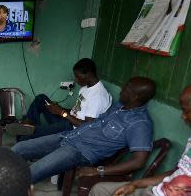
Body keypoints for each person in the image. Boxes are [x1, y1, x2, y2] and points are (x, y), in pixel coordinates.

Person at [12, 76, 157, 185]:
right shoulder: (119, 107)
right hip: (69, 136)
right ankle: (0, 178)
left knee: (32, 172)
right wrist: (64, 114)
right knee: (18, 149)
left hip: (80, 152)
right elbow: (95, 123)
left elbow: (138, 162)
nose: (122, 90)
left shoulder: (140, 124)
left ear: (136, 96)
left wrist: (98, 170)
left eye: (126, 89)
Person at [7, 58, 112, 140]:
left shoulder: (98, 96)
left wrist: (61, 113)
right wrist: (59, 108)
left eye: (78, 77)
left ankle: (29, 131)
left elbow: (87, 126)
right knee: (41, 99)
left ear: (89, 74)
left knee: (29, 134)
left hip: (72, 129)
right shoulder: (85, 88)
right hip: (67, 119)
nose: (75, 80)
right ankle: (28, 124)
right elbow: (76, 111)